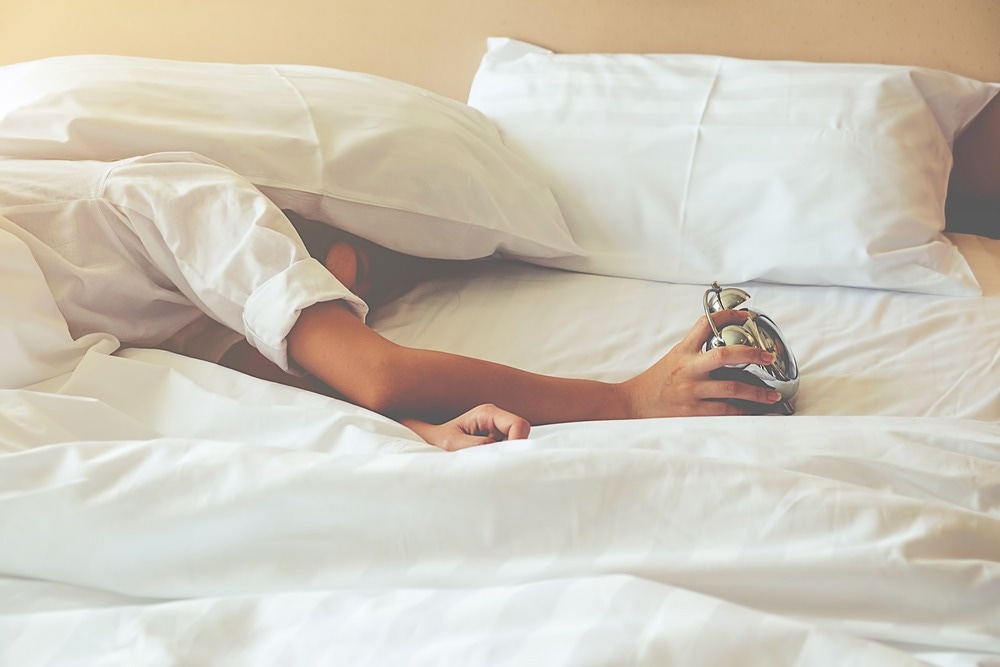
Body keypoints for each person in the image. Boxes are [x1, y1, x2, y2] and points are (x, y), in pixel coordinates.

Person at [0, 152, 782, 452]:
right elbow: (374, 374)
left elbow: (259, 387)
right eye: (354, 285)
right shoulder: (192, 198)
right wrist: (626, 399)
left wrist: (420, 433)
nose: (353, 300)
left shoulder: (175, 305)